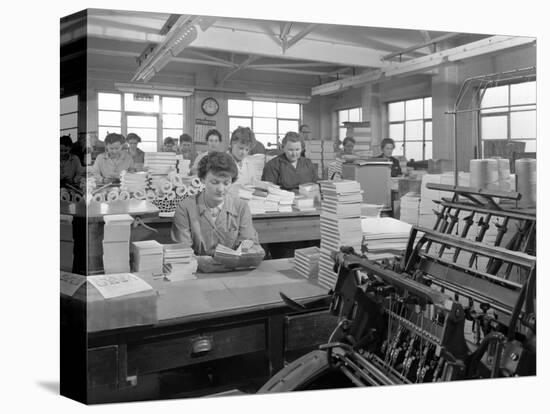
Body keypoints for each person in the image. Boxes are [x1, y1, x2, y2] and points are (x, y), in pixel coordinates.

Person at [171, 151, 264, 272]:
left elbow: (250, 243)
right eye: (214, 182)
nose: (221, 189)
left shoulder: (241, 207)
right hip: (194, 273)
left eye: (226, 183)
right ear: (202, 179)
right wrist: (197, 262)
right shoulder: (185, 207)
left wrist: (248, 252)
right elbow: (180, 251)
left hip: (232, 272)